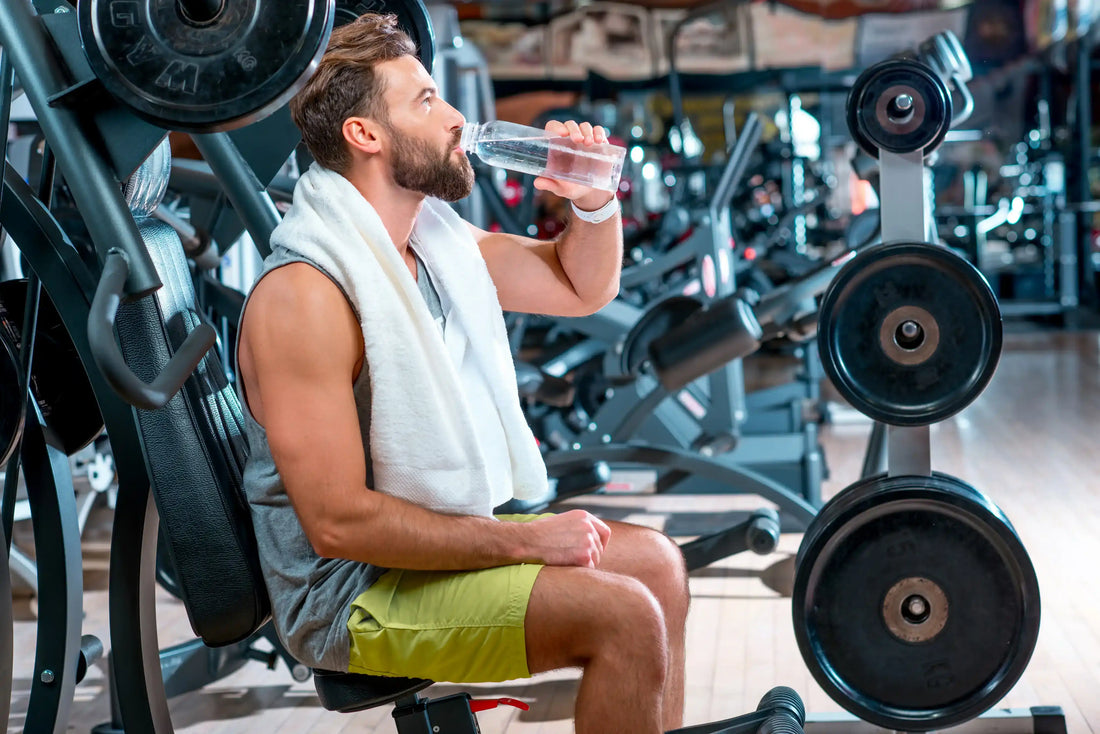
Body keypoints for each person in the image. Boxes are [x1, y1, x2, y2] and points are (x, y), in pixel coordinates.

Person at [235, 13, 689, 734]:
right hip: (348, 594)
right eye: (426, 101)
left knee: (659, 566)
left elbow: (580, 287)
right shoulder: (304, 296)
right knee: (623, 615)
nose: (455, 117)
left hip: (429, 545)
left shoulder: (434, 244)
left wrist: (592, 199)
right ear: (365, 134)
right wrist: (528, 540)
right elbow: (337, 523)